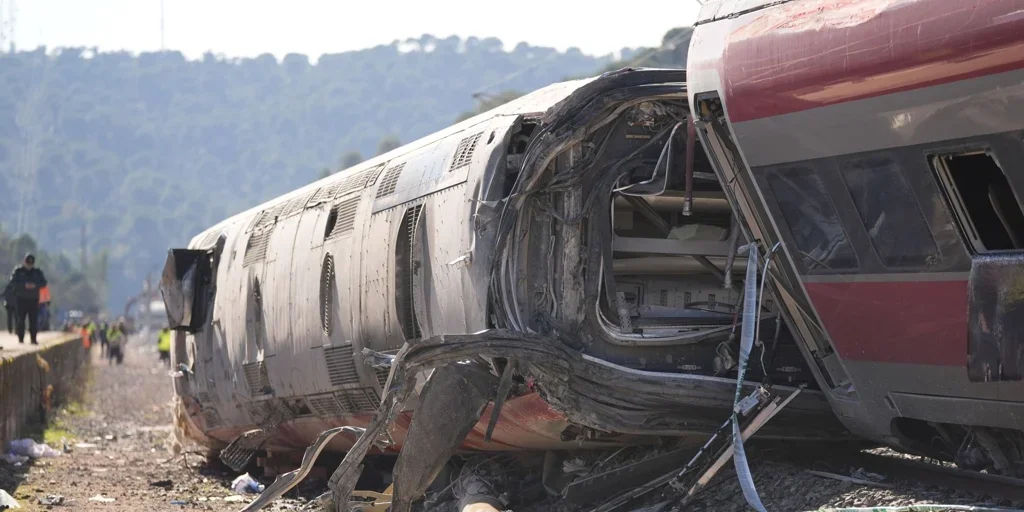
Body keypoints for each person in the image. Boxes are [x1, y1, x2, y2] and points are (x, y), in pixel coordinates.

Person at [9, 254, 47, 345]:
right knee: (20, 320)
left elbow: (44, 283)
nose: (29, 265)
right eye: (28, 263)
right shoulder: (18, 271)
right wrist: (24, 285)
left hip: (33, 299)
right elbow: (12, 282)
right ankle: (21, 338)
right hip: (21, 299)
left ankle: (33, 339)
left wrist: (35, 285)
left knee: (33, 320)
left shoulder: (37, 272)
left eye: (31, 264)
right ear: (24, 262)